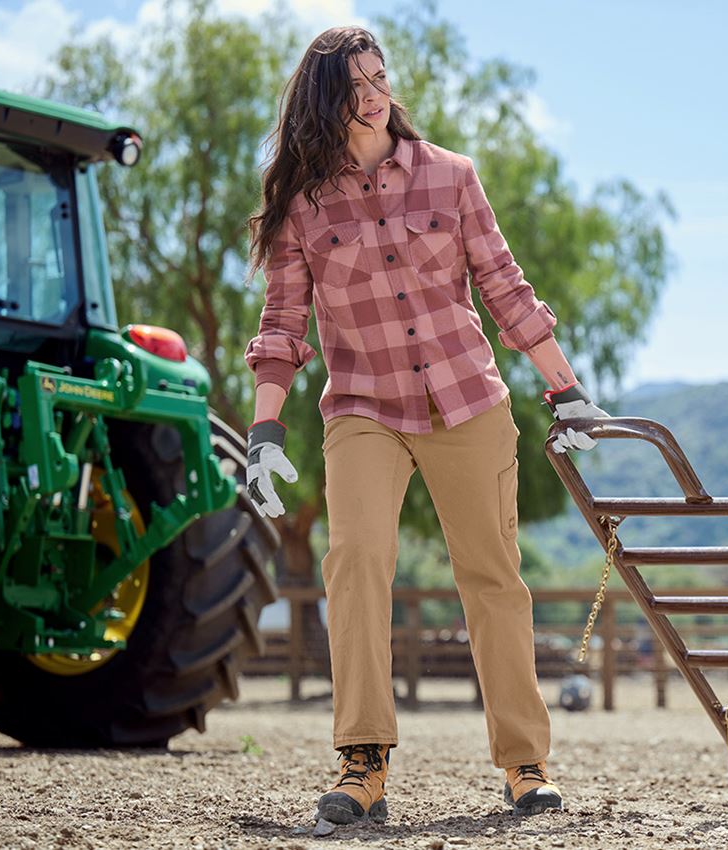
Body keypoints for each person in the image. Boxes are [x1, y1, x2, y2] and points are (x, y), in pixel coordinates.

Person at [243, 25, 608, 826]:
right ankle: (362, 762)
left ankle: (524, 763)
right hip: (364, 405)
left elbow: (506, 289)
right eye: (355, 86)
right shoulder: (301, 202)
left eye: (380, 79)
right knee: (357, 561)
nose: (374, 96)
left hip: (466, 400)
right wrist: (265, 431)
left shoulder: (451, 176)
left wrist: (567, 390)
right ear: (324, 101)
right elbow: (282, 324)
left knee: (493, 578)